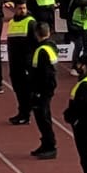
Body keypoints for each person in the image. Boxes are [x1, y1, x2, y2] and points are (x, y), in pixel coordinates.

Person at [27, 21, 61, 160]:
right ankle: (46, 143)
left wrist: (38, 91)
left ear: (36, 34)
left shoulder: (42, 51)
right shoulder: (50, 47)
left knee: (43, 117)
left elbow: (44, 73)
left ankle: (50, 146)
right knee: (43, 117)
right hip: (46, 89)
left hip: (42, 90)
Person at [5, 0, 37, 125]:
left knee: (25, 90)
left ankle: (25, 114)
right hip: (15, 63)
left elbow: (36, 43)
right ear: (15, 9)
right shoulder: (12, 23)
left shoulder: (31, 22)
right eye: (20, 8)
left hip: (26, 63)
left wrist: (31, 63)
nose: (22, 10)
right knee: (18, 89)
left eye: (24, 8)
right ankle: (22, 112)